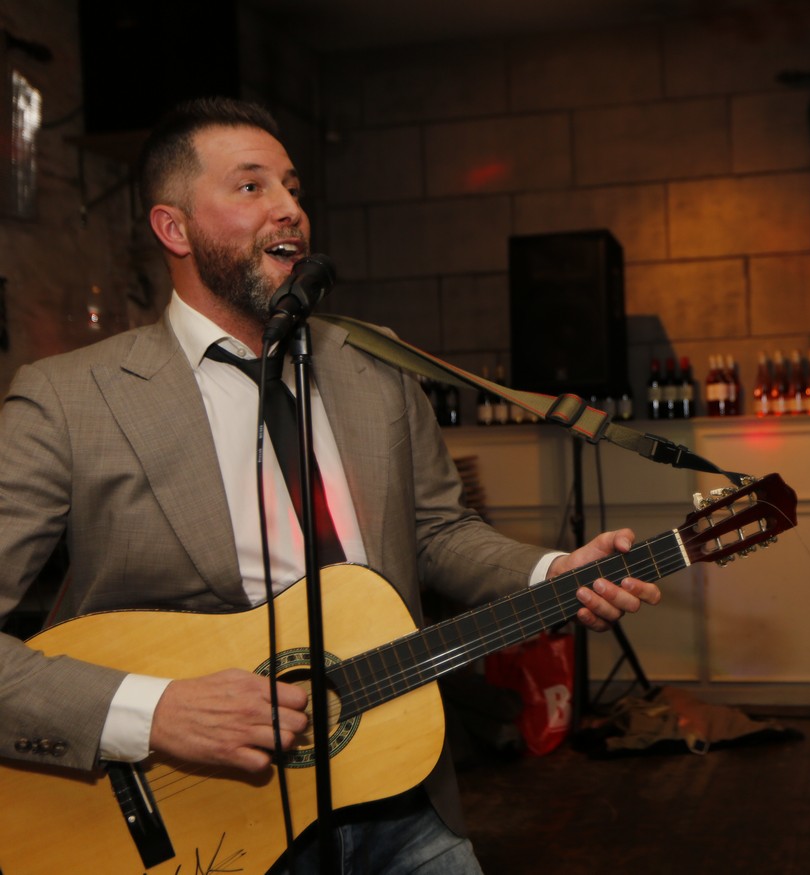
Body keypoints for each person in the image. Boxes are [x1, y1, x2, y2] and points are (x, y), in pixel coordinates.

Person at [0, 97, 661, 874]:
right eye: (251, 186)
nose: (289, 208)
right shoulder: (68, 399)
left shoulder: (376, 364)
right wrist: (153, 713)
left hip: (395, 789)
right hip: (198, 818)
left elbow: (436, 532)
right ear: (174, 229)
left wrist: (550, 570)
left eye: (292, 186)